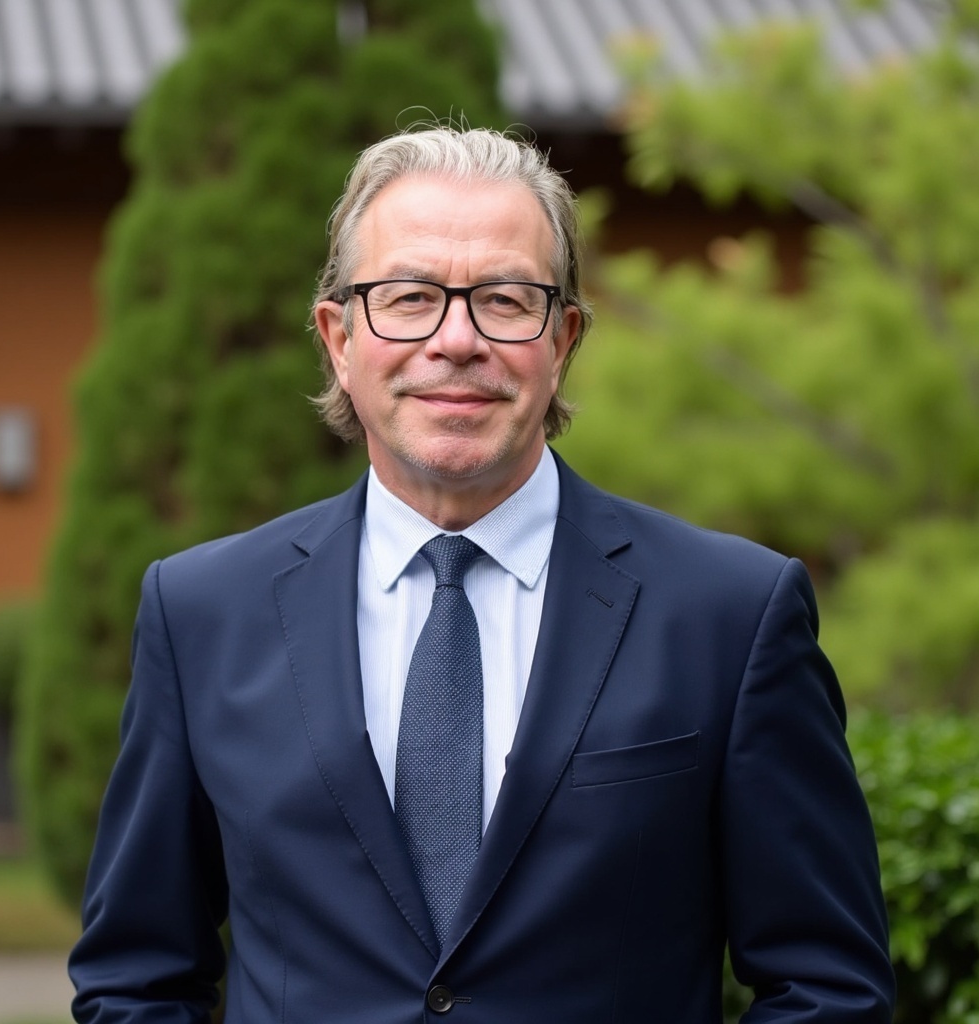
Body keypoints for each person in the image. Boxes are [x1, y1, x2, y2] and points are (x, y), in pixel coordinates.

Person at [69, 125, 895, 1023]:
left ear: (564, 338)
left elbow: (826, 988)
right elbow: (135, 978)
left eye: (505, 299)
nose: (456, 340)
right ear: (338, 337)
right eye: (411, 296)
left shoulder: (730, 616)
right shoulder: (200, 615)